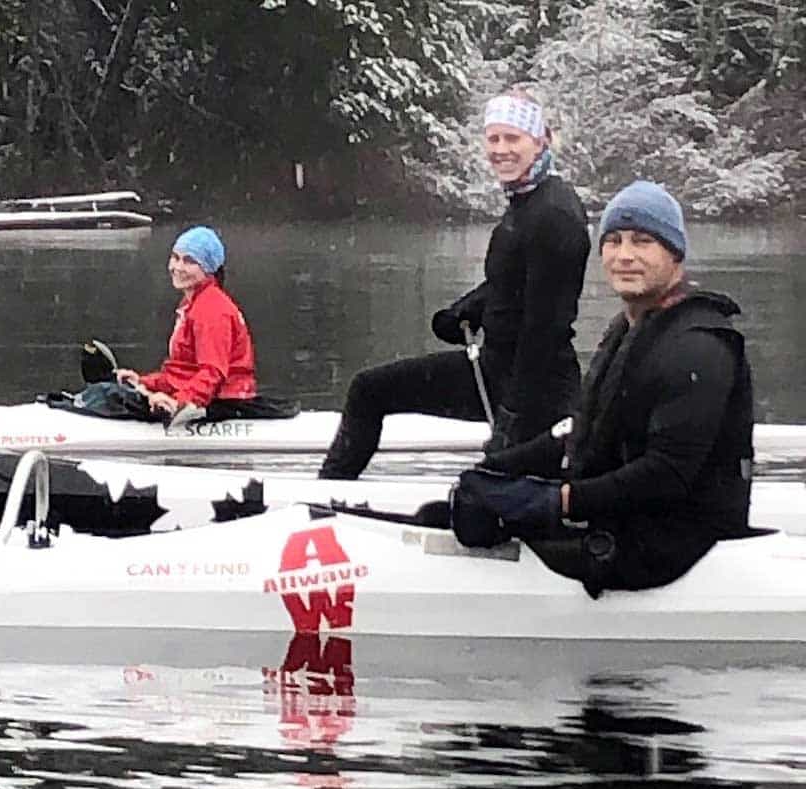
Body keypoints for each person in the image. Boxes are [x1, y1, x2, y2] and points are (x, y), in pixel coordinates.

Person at [454, 180, 756, 597]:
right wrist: (498, 470)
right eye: (613, 241)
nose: (625, 255)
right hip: (630, 516)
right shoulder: (630, 328)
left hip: (674, 542)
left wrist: (556, 500)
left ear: (675, 255)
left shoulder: (698, 346)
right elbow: (582, 432)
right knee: (445, 513)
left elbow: (666, 475)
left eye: (643, 241)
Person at [319, 87, 589, 479]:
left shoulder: (555, 214)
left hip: (536, 389)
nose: (500, 149)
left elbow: (546, 326)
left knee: (370, 391)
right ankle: (328, 493)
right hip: (498, 370)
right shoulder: (527, 202)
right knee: (370, 389)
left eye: (512, 138)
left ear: (540, 140)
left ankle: (326, 496)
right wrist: (468, 308)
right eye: (493, 138)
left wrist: (515, 413)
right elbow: (512, 283)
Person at [115, 225, 258, 423]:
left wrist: (177, 403)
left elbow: (213, 373)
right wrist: (143, 382)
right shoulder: (192, 304)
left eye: (189, 261)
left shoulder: (212, 310)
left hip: (225, 402)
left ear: (208, 269)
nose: (178, 268)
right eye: (175, 258)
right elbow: (180, 372)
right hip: (203, 395)